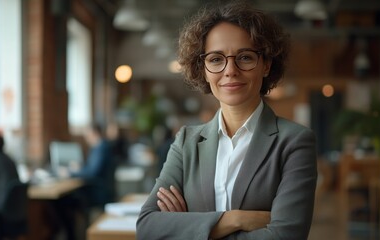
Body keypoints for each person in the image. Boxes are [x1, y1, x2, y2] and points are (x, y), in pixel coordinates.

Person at [136, 2, 318, 240]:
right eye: (215, 59)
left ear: (266, 65)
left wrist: (190, 228)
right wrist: (237, 219)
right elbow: (148, 226)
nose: (230, 70)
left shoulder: (294, 142)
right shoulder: (186, 142)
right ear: (203, 69)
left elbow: (286, 236)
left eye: (244, 57)